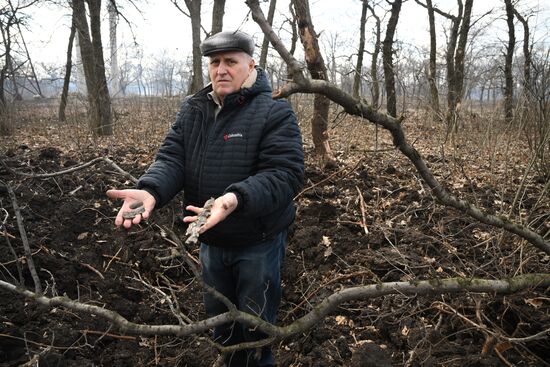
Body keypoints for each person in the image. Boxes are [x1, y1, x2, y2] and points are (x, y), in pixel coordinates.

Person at [107, 30, 304, 367]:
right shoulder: (194, 108)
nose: (221, 70)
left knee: (256, 327)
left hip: (257, 239)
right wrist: (151, 190)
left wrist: (233, 199)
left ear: (251, 64)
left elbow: (284, 174)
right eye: (215, 62)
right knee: (222, 323)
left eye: (230, 62)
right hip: (209, 236)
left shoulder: (274, 111)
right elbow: (172, 158)